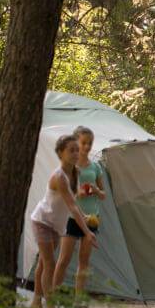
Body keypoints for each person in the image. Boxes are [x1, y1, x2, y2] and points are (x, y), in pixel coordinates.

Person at [30, 135, 97, 308]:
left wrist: (86, 216)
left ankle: (36, 302)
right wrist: (87, 231)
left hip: (56, 225)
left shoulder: (75, 173)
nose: (76, 153)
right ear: (60, 153)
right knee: (50, 264)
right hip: (42, 221)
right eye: (71, 150)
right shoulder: (59, 177)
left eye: (77, 149)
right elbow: (72, 206)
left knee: (44, 264)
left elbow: (74, 200)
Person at [53, 127, 106, 297]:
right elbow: (63, 193)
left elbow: (104, 194)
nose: (87, 147)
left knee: (84, 262)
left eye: (90, 143)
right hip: (71, 218)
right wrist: (79, 193)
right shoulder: (70, 167)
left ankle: (78, 302)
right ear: (76, 142)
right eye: (83, 143)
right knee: (64, 260)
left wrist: (96, 191)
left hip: (91, 218)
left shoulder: (96, 167)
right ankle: (53, 298)